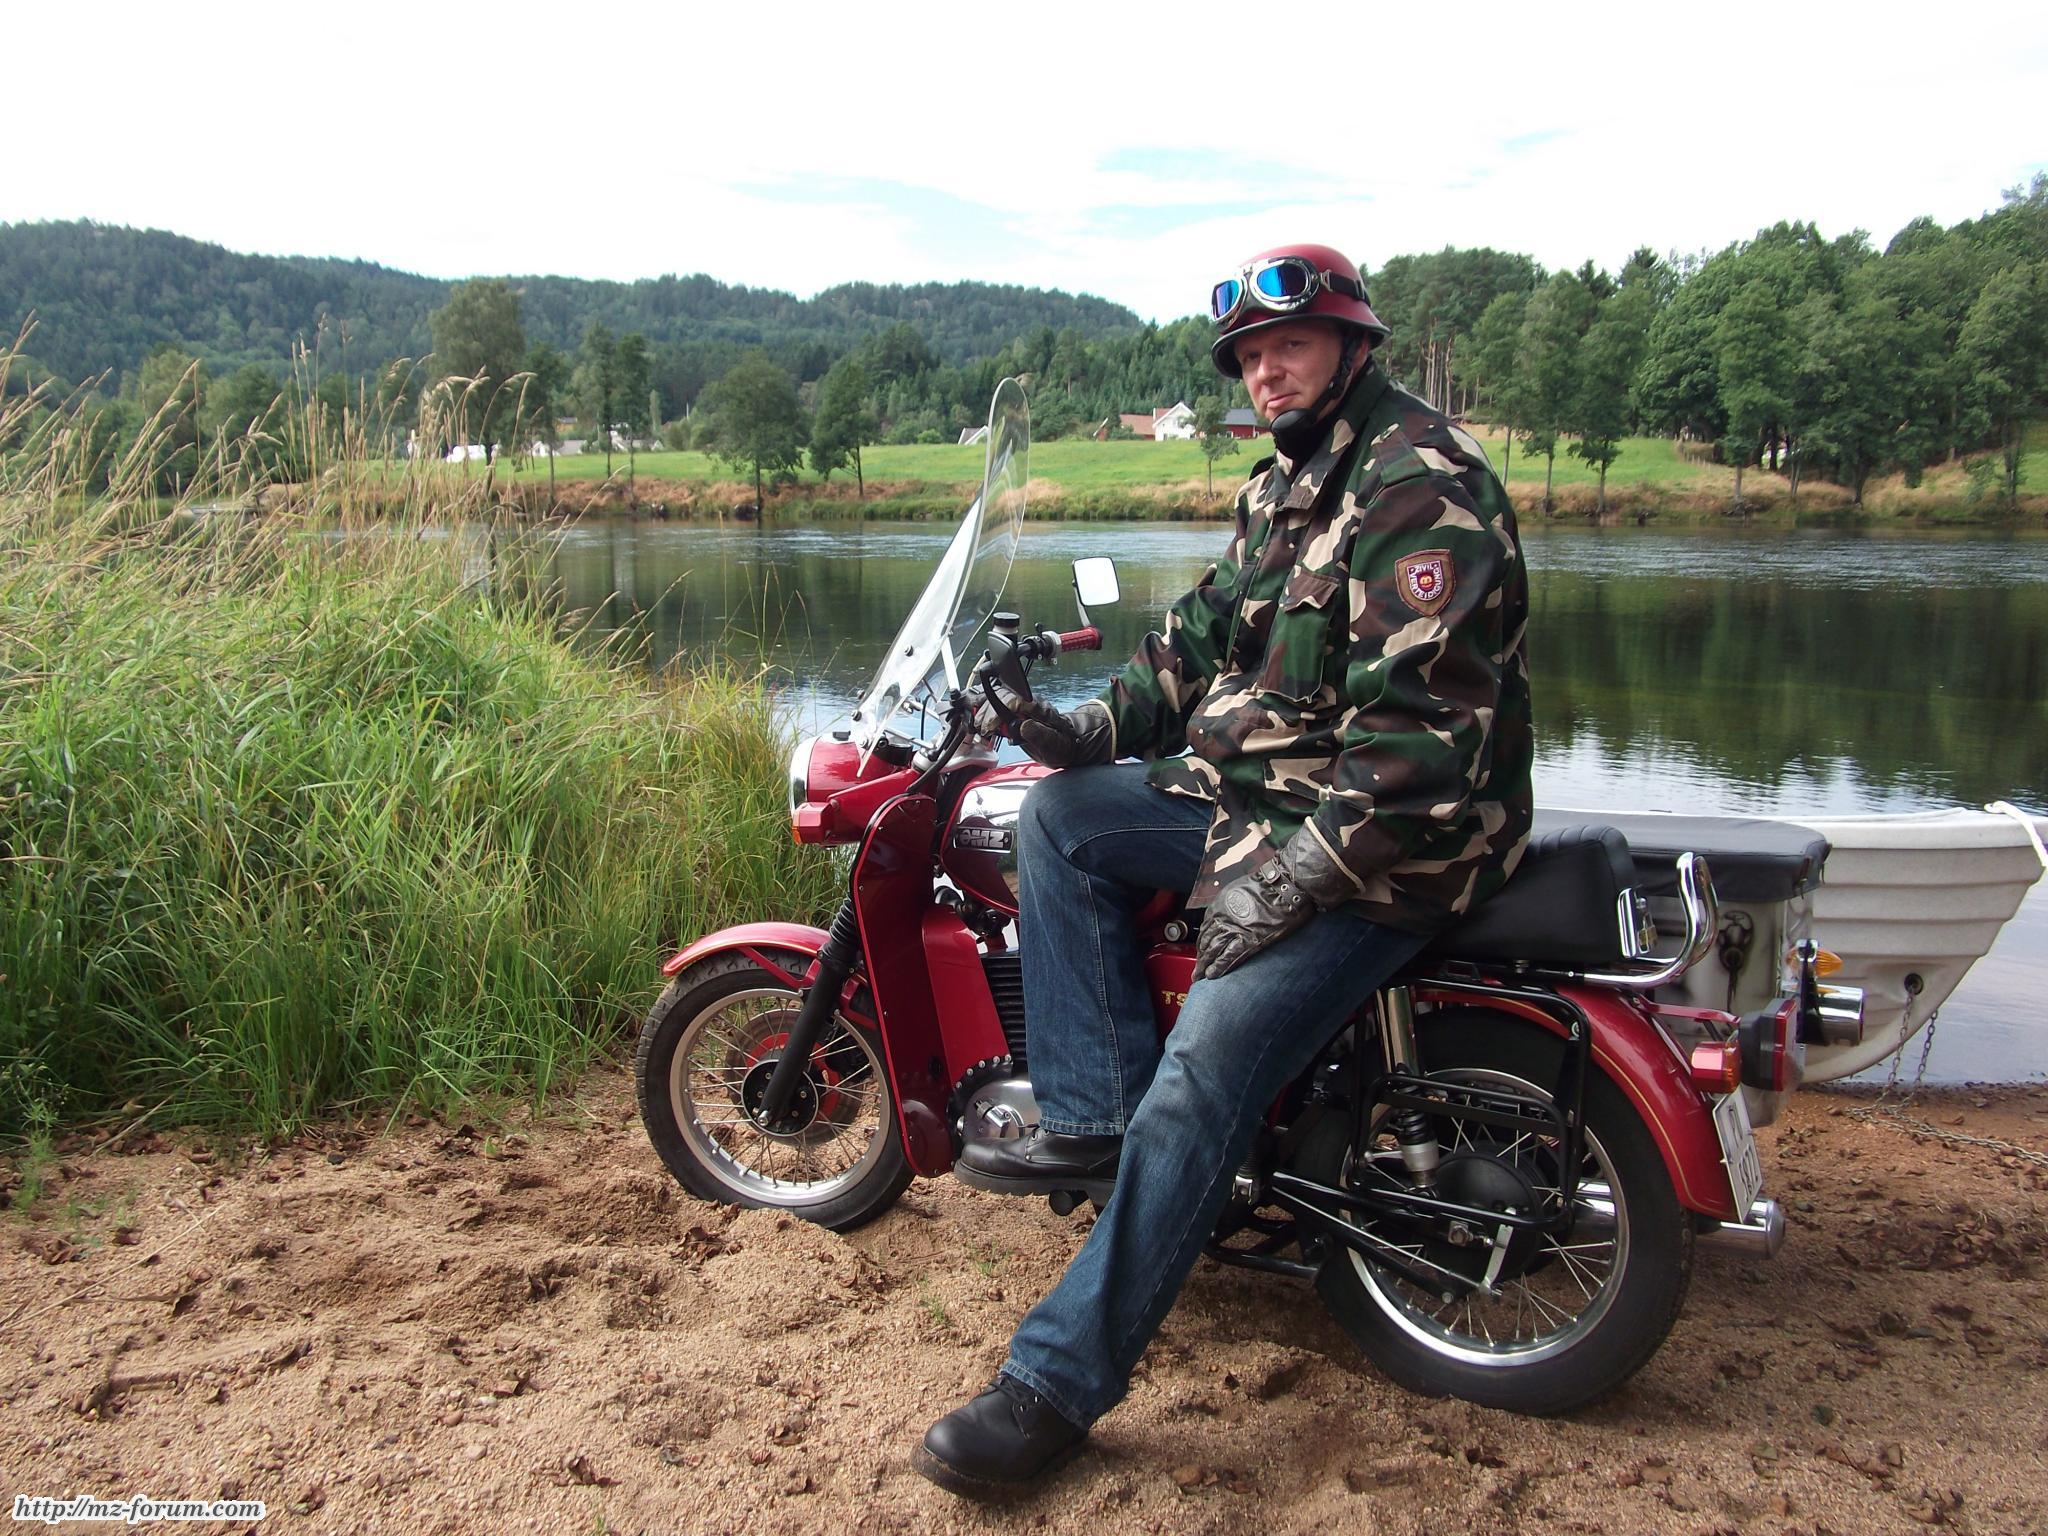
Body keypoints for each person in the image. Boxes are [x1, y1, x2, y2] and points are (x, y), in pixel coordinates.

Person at [913, 243, 1534, 1499]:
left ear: (1351, 345)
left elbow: (1419, 751)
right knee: (1058, 818)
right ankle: (1108, 1139)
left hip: (1387, 851)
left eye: (1287, 345)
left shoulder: (1417, 484)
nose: (1265, 372)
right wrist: (1085, 729)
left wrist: (1290, 884)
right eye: (1248, 356)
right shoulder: (1283, 486)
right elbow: (1195, 647)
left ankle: (1052, 1385)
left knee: (1207, 1063)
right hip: (1259, 800)